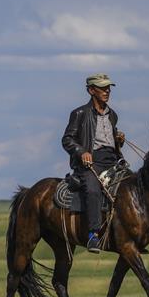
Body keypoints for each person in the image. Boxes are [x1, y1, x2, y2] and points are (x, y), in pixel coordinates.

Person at [61, 73, 125, 253]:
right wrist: (81, 152)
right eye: (103, 88)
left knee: (131, 186)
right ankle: (93, 235)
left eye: (108, 88)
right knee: (93, 189)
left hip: (112, 160)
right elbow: (67, 139)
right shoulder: (79, 113)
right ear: (91, 90)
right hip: (90, 163)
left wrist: (118, 139)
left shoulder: (113, 115)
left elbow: (109, 140)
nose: (107, 91)